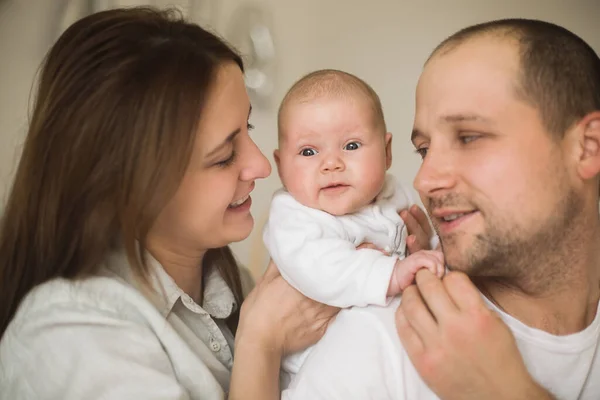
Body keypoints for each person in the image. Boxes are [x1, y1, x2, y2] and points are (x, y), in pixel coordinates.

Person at [0, 7, 344, 400]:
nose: (262, 165)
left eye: (247, 128)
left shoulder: (240, 289)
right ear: (130, 187)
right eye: (223, 156)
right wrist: (260, 344)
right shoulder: (66, 336)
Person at [281, 18, 600, 400]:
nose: (424, 180)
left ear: (588, 147)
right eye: (424, 150)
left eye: (469, 137)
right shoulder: (376, 346)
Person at [263, 69, 444, 382]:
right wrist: (393, 273)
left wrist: (430, 250)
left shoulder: (390, 192)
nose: (331, 163)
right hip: (313, 364)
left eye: (351, 146)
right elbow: (318, 267)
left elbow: (417, 244)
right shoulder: (293, 216)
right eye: (308, 152)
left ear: (387, 152)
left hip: (388, 349)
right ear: (281, 166)